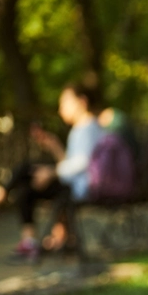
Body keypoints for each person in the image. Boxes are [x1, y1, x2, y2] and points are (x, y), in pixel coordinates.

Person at [27, 83, 107, 251]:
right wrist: (54, 146)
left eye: (65, 102)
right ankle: (45, 239)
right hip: (74, 186)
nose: (61, 109)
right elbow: (70, 163)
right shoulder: (79, 130)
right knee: (29, 179)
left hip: (81, 188)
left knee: (28, 174)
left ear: (82, 102)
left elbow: (82, 164)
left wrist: (52, 172)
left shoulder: (89, 128)